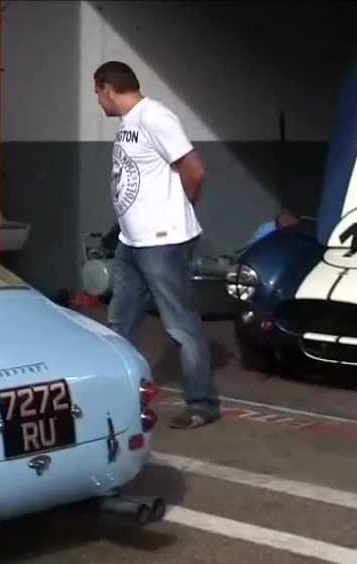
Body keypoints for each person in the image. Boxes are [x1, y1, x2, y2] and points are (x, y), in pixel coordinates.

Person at [92, 60, 220, 429]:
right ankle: (120, 397)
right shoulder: (129, 123)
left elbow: (195, 170)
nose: (98, 102)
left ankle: (202, 403)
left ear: (107, 88)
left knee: (180, 325)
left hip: (162, 242)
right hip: (131, 242)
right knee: (120, 321)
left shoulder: (155, 116)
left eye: (98, 93)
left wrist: (180, 208)